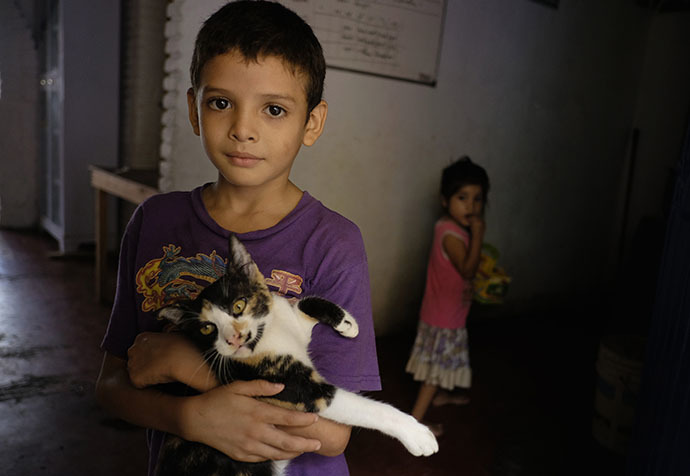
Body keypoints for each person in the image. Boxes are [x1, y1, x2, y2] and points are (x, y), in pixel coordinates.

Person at [94, 2, 381, 475]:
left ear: (312, 121)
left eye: (273, 109)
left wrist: (193, 370)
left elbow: (331, 434)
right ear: (194, 108)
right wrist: (186, 418)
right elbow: (110, 385)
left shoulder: (334, 243)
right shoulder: (155, 222)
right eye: (221, 103)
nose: (243, 130)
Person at [405, 156, 490, 436]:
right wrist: (479, 234)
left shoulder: (448, 227)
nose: (471, 206)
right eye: (462, 197)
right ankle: (414, 423)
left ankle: (440, 395)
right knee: (433, 371)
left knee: (440, 363)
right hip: (443, 318)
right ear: (445, 200)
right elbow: (466, 270)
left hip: (447, 313)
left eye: (478, 199)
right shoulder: (452, 235)